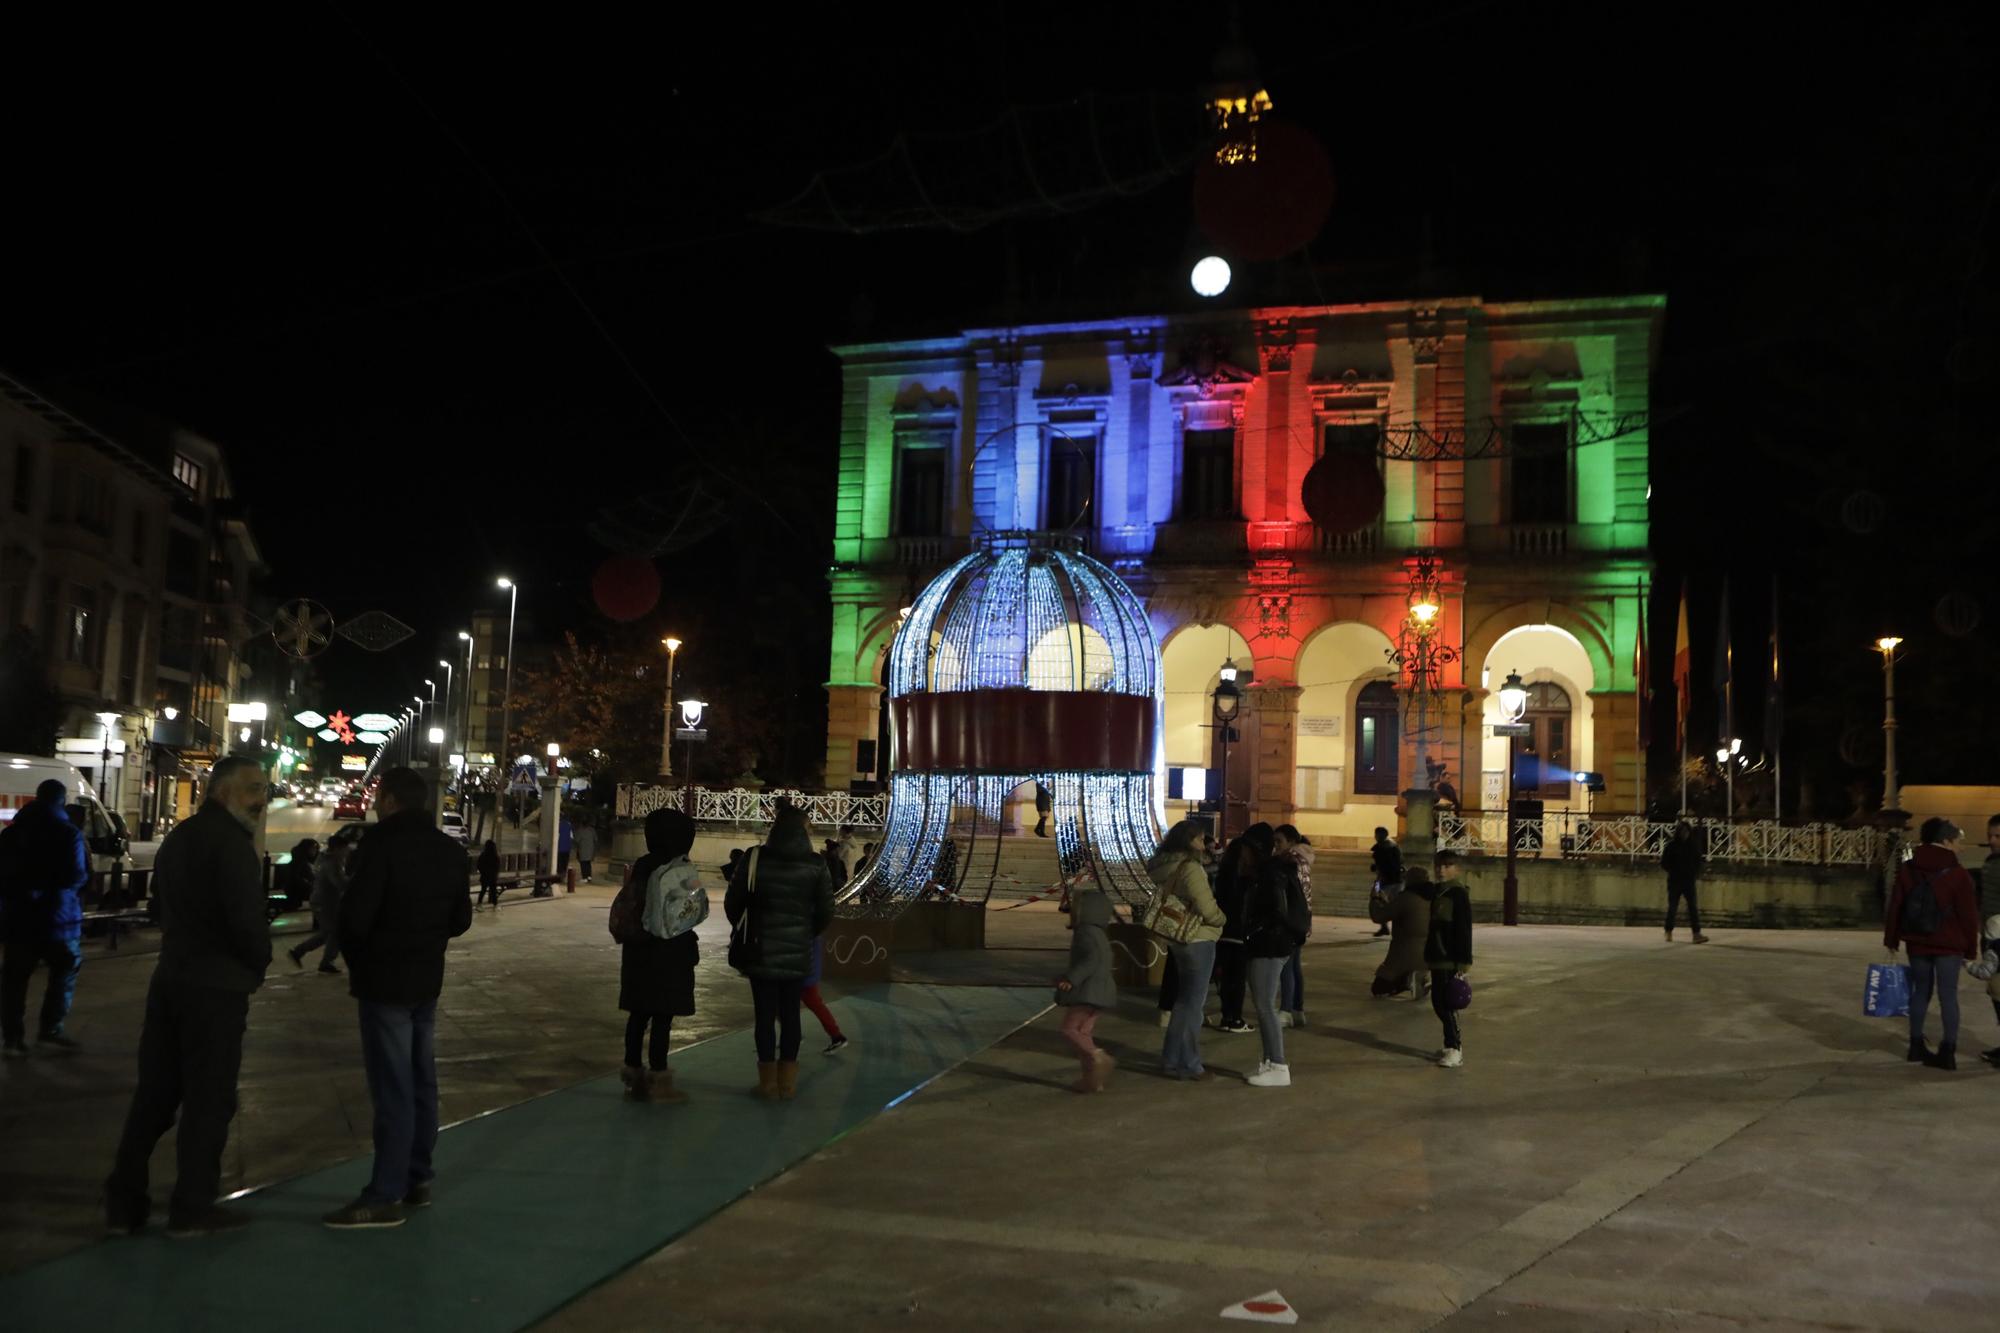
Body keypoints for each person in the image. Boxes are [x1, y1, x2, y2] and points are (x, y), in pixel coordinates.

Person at [104, 756, 271, 1237]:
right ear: (224, 793)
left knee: (154, 1094)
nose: (262, 800)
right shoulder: (233, 847)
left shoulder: (178, 839)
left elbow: (160, 906)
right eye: (254, 789)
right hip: (216, 989)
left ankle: (123, 1201)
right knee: (210, 1099)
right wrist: (257, 963)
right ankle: (192, 1207)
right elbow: (247, 923)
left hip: (171, 979)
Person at [322, 767, 474, 1229]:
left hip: (385, 981)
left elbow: (357, 916)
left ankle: (384, 1193)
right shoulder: (448, 850)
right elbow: (461, 919)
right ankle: (417, 1177)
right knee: (421, 1079)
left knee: (393, 1089)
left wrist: (359, 955)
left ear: (389, 800)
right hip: (426, 978)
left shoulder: (380, 845)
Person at [725, 806, 834, 1100]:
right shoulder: (816, 864)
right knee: (790, 1015)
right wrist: (804, 933)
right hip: (797, 951)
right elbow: (826, 911)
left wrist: (748, 927)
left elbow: (732, 902)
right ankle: (788, 1083)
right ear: (803, 829)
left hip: (760, 950)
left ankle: (767, 1083)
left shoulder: (754, 858)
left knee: (764, 1017)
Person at [619, 808, 704, 1103]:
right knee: (662, 1018)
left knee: (638, 1014)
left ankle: (633, 1073)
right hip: (671, 952)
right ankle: (659, 1079)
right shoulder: (679, 868)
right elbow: (694, 911)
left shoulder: (641, 867)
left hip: (638, 952)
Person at [0, 778, 89, 1055]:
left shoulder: (11, 834)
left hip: (18, 918)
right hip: (58, 919)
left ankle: (12, 1038)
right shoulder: (69, 834)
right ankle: (50, 1029)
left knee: (15, 979)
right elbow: (77, 876)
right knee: (64, 970)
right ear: (61, 801)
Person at [1884, 817, 1980, 1071]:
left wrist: (1891, 939)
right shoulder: (1958, 874)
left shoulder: (1909, 868)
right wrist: (1971, 950)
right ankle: (1947, 1051)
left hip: (1917, 940)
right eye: (1958, 841)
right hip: (1949, 944)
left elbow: (1896, 905)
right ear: (1946, 841)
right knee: (1948, 995)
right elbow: (1969, 917)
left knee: (1920, 991)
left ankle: (1915, 1045)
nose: (1961, 847)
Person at [1147, 819, 1226, 1080]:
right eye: (1200, 839)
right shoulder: (1190, 867)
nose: (1204, 844)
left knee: (1183, 1002)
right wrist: (1220, 919)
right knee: (1193, 1006)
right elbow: (1205, 905)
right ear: (1189, 840)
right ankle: (1190, 1065)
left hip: (1178, 939)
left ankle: (1170, 1060)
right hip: (1198, 938)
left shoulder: (1164, 865)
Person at [1242, 827, 1309, 1087]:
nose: (1243, 854)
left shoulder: (1270, 874)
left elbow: (1275, 911)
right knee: (1264, 1005)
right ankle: (1270, 1062)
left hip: (1269, 945)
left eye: (1247, 849)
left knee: (1265, 1006)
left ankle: (1278, 1065)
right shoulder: (1273, 870)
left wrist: (1253, 930)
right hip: (1273, 943)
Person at [1212, 824, 1271, 1034]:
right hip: (1239, 932)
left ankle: (1227, 1015)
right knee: (1236, 978)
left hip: (1224, 930)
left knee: (1226, 976)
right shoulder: (1250, 877)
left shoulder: (1225, 874)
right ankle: (1234, 1018)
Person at [1055, 889, 1116, 1092]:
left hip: (1088, 991)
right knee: (1083, 1032)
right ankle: (1092, 1080)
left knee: (1069, 1029)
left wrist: (1071, 978)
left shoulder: (1085, 932)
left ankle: (1097, 1057)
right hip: (1101, 991)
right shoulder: (1098, 932)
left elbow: (1090, 959)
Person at [1426, 851, 1474, 1067]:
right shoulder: (1437, 891)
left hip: (1449, 957)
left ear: (1457, 869)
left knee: (1446, 1003)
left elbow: (1464, 929)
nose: (1441, 870)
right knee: (1438, 1002)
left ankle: (1455, 1048)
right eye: (1438, 866)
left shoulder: (1458, 894)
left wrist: (1463, 961)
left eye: (1447, 866)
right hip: (1436, 955)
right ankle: (1451, 1043)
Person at [288, 828, 357, 973]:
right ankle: (323, 961)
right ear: (338, 849)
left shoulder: (329, 859)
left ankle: (300, 952)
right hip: (324, 902)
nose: (347, 852)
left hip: (326, 901)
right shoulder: (332, 863)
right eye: (345, 849)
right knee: (335, 932)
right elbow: (339, 883)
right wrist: (354, 880)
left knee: (329, 933)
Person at [1272, 824, 1314, 1028]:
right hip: (1302, 918)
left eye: (1279, 841)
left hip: (1291, 919)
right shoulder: (1304, 859)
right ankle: (1298, 1009)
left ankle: (1286, 1010)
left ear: (1291, 842)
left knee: (1287, 967)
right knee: (1295, 966)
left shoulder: (1289, 861)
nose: (1276, 846)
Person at [1373, 867, 1433, 998]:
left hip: (1404, 954)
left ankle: (1407, 981)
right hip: (1427, 955)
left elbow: (1378, 916)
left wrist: (1375, 899)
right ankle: (1419, 978)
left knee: (1378, 989)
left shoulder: (1407, 898)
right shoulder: (1433, 897)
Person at [1660, 821, 1709, 943]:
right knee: (1673, 907)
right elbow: (1664, 862)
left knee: (1692, 907)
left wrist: (1693, 872)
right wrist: (1673, 870)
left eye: (1687, 832)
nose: (1685, 834)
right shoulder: (1672, 846)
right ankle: (1668, 931)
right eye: (1683, 832)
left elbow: (1698, 862)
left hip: (1688, 880)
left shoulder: (1692, 846)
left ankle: (1696, 933)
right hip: (1675, 880)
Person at [799, 936, 848, 1055]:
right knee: (814, 1003)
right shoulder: (813, 925)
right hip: (807, 971)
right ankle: (836, 1036)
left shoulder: (807, 927)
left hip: (803, 972)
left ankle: (837, 1037)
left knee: (784, 1004)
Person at [1980, 815, 2000, 1066]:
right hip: (1989, 936)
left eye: (1998, 836)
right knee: (1994, 990)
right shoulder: (1989, 861)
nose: (1993, 840)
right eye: (1990, 835)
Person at [1370, 826, 1404, 937]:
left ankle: (1385, 927)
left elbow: (1386, 864)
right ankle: (1387, 927)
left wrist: (1377, 867)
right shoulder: (1393, 846)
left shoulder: (1383, 848)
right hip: (1394, 880)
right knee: (1390, 902)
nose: (1375, 837)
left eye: (1376, 834)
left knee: (1377, 900)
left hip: (1384, 880)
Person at [475, 839, 501, 909]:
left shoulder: (483, 855)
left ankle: (479, 904)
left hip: (484, 876)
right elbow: (497, 867)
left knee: (483, 890)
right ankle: (495, 904)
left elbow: (479, 865)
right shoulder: (495, 856)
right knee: (493, 890)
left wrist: (483, 872)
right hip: (493, 877)